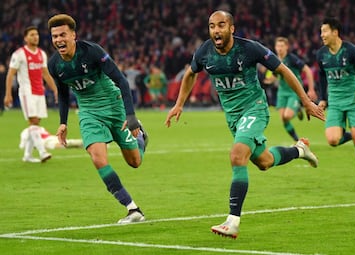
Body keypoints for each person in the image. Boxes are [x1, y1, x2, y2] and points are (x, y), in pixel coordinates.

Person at [165, 10, 325, 239]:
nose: (216, 31)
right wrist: (179, 104)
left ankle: (233, 221)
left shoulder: (250, 49)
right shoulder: (204, 52)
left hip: (255, 108)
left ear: (232, 28)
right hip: (233, 117)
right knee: (264, 162)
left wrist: (306, 102)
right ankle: (300, 150)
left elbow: (283, 70)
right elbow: (191, 73)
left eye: (221, 25)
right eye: (212, 26)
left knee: (237, 155)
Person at [47, 14, 148, 224]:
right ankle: (133, 209)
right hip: (89, 112)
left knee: (135, 162)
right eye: (54, 36)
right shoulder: (55, 64)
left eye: (62, 35)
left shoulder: (92, 52)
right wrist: (63, 122)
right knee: (98, 158)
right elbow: (64, 94)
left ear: (73, 35)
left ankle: (141, 138)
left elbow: (121, 80)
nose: (58, 40)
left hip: (114, 106)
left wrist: (130, 116)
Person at [316, 17, 355, 187]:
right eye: (321, 32)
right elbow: (321, 76)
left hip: (354, 100)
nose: (322, 35)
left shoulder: (351, 50)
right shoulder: (321, 54)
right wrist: (323, 98)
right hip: (335, 101)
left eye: (325, 31)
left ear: (335, 32)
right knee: (333, 140)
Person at [3, 26, 58, 163]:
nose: (35, 37)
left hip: (40, 92)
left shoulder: (41, 54)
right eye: (32, 35)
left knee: (36, 123)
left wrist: (55, 89)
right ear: (25, 38)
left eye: (37, 34)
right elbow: (10, 74)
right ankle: (42, 152)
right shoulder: (19, 54)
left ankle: (27, 155)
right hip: (27, 92)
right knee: (33, 121)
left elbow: (45, 74)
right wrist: (8, 94)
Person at [274, 36, 318, 141]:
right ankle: (297, 140)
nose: (279, 48)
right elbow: (275, 75)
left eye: (282, 46)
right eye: (278, 46)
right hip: (281, 92)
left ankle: (298, 107)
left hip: (293, 92)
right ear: (275, 47)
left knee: (287, 116)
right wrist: (270, 79)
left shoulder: (292, 58)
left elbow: (307, 70)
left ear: (287, 47)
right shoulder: (275, 60)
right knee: (283, 119)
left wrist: (311, 89)